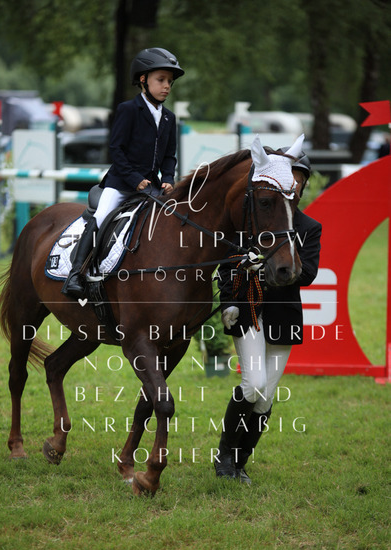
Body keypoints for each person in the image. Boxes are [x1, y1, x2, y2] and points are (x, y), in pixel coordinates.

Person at [214, 148, 322, 484]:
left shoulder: (309, 227)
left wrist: (263, 268)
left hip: (283, 315)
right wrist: (229, 302)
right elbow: (226, 266)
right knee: (254, 384)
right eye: (291, 179)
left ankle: (240, 462)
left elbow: (307, 273)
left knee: (265, 398)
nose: (294, 184)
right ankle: (224, 457)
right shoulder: (252, 218)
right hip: (247, 312)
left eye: (299, 181)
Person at [62, 47, 185, 298]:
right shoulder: (128, 110)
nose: (166, 86)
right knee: (101, 217)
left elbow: (169, 156)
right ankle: (76, 273)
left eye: (170, 82)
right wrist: (134, 179)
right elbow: (116, 150)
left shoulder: (169, 118)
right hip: (120, 184)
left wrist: (168, 179)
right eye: (161, 80)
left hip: (152, 186)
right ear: (143, 80)